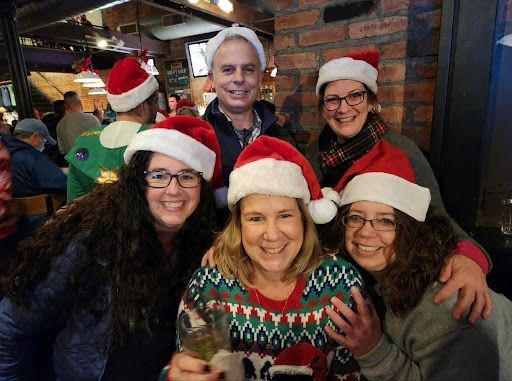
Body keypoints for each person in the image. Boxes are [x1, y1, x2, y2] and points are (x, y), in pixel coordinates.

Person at [0, 116, 223, 380]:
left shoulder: (201, 243)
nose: (173, 190)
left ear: (202, 187)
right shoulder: (90, 238)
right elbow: (10, 329)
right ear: (139, 181)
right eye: (158, 175)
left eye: (187, 176)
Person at [312, 50, 491, 323]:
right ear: (323, 108)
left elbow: (437, 220)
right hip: (332, 290)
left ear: (371, 101)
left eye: (355, 96)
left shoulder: (401, 149)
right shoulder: (313, 156)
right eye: (332, 100)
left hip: (389, 295)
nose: (343, 108)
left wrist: (469, 260)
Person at [167, 136, 364, 381]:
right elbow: (196, 369)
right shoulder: (210, 287)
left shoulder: (340, 283)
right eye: (256, 218)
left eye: (285, 216)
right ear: (238, 225)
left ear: (304, 220)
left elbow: (350, 374)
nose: (272, 235)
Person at [324, 154, 512, 380]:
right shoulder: (376, 279)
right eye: (355, 218)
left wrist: (373, 351)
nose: (365, 232)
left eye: (386, 221)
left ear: (412, 230)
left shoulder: (445, 307)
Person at [203, 26, 296, 187]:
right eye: (228, 69)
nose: (239, 78)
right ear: (212, 78)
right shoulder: (197, 139)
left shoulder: (282, 135)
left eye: (248, 69)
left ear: (259, 76)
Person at [65, 57, 159, 202]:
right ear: (143, 106)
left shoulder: (84, 141)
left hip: (95, 223)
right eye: (156, 102)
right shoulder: (159, 138)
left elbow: (73, 205)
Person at [1, 118, 66, 198]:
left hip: (12, 208)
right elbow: (62, 184)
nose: (44, 145)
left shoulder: (4, 154)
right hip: (41, 208)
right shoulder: (35, 158)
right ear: (35, 137)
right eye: (44, 140)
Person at [41, 99, 67, 167]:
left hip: (47, 156)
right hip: (61, 157)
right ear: (66, 109)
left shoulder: (44, 121)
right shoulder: (64, 123)